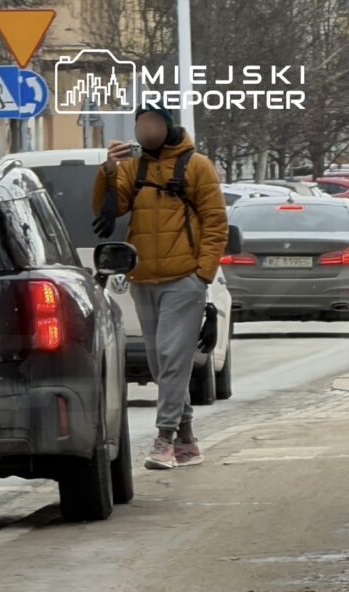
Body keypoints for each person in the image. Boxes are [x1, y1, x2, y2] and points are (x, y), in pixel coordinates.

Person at [92, 106, 227, 470]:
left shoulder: (197, 165)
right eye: (140, 124)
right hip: (143, 279)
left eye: (151, 124)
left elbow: (216, 223)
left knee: (172, 357)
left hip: (183, 280)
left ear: (167, 128)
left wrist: (202, 274)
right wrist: (107, 172)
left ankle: (164, 438)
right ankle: (187, 441)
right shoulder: (133, 169)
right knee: (158, 362)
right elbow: (109, 208)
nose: (145, 130)